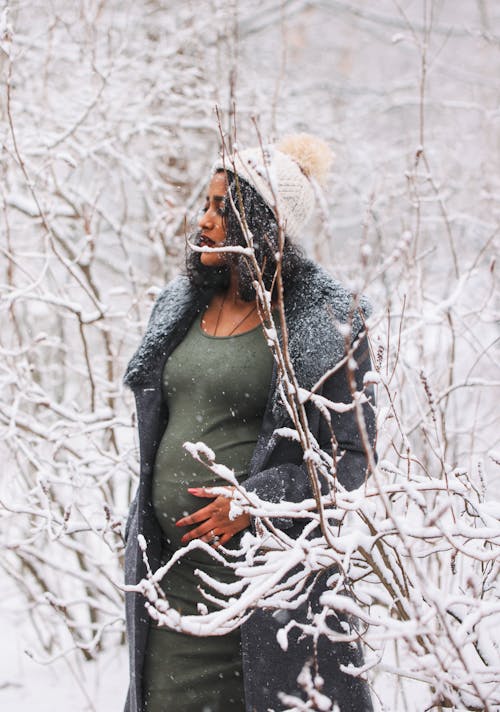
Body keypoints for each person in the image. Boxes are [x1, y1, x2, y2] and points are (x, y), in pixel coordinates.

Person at [123, 134, 376, 712]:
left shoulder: (326, 321)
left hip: (267, 592)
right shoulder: (180, 302)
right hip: (169, 582)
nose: (205, 221)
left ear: (261, 223)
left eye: (222, 209)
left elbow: (351, 456)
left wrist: (254, 501)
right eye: (207, 205)